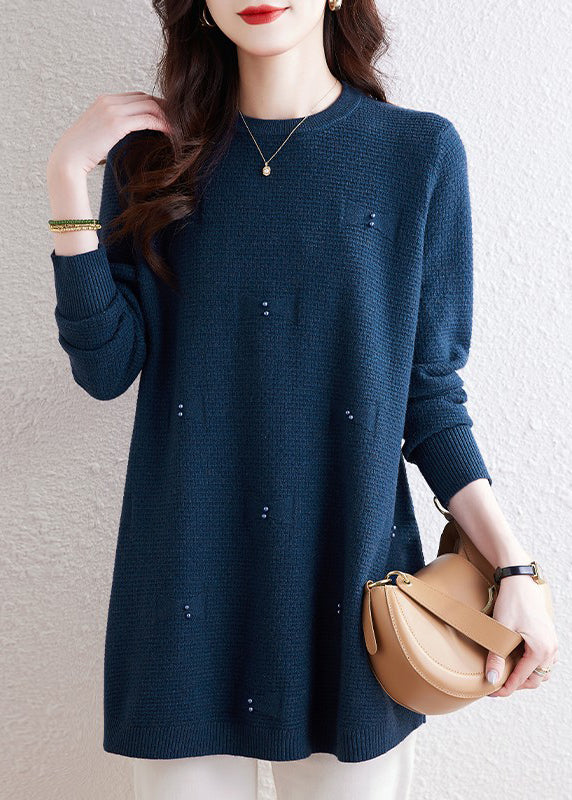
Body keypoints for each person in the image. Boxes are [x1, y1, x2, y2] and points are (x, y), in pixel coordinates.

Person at [46, 1, 558, 798]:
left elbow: (427, 393)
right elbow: (105, 369)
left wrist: (513, 565)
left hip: (353, 593)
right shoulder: (152, 160)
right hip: (184, 590)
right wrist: (66, 180)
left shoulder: (417, 154)